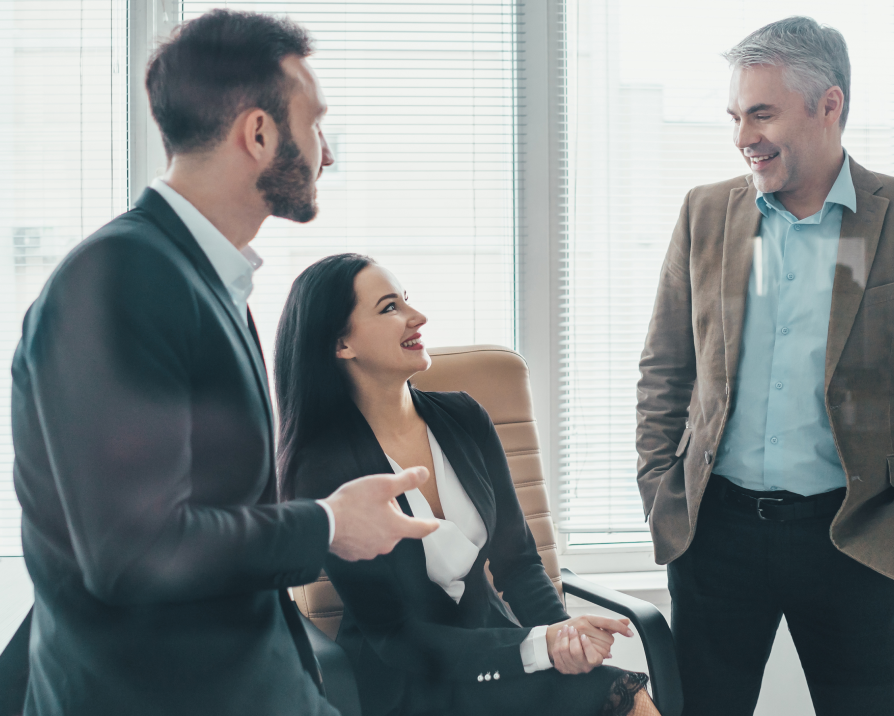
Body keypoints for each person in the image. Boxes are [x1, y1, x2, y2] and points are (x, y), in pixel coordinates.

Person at [11, 10, 439, 716]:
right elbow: (135, 552)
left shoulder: (200, 279)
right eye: (315, 124)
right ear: (259, 133)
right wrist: (329, 525)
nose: (327, 154)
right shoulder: (119, 279)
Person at [636, 16, 894, 716]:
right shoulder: (706, 213)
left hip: (853, 536)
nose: (744, 136)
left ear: (829, 105)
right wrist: (659, 488)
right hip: (716, 535)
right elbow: (665, 369)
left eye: (762, 113)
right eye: (736, 117)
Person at [274, 254, 662, 716]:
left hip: (498, 651)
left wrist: (565, 637)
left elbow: (518, 563)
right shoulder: (321, 468)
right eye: (389, 307)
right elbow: (395, 635)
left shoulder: (464, 417)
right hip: (408, 682)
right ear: (342, 343)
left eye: (407, 300)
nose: (417, 316)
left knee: (623, 695)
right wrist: (537, 645)